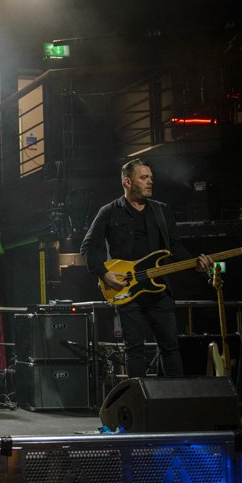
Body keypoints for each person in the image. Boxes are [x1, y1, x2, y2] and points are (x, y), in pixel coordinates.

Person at [80, 158, 211, 378]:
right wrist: (105, 274)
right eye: (144, 177)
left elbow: (175, 247)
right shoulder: (109, 212)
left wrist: (195, 265)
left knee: (170, 347)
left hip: (159, 290)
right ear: (128, 182)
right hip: (127, 291)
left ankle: (173, 398)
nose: (150, 181)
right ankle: (138, 402)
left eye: (151, 177)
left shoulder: (161, 211)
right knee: (134, 349)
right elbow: (88, 248)